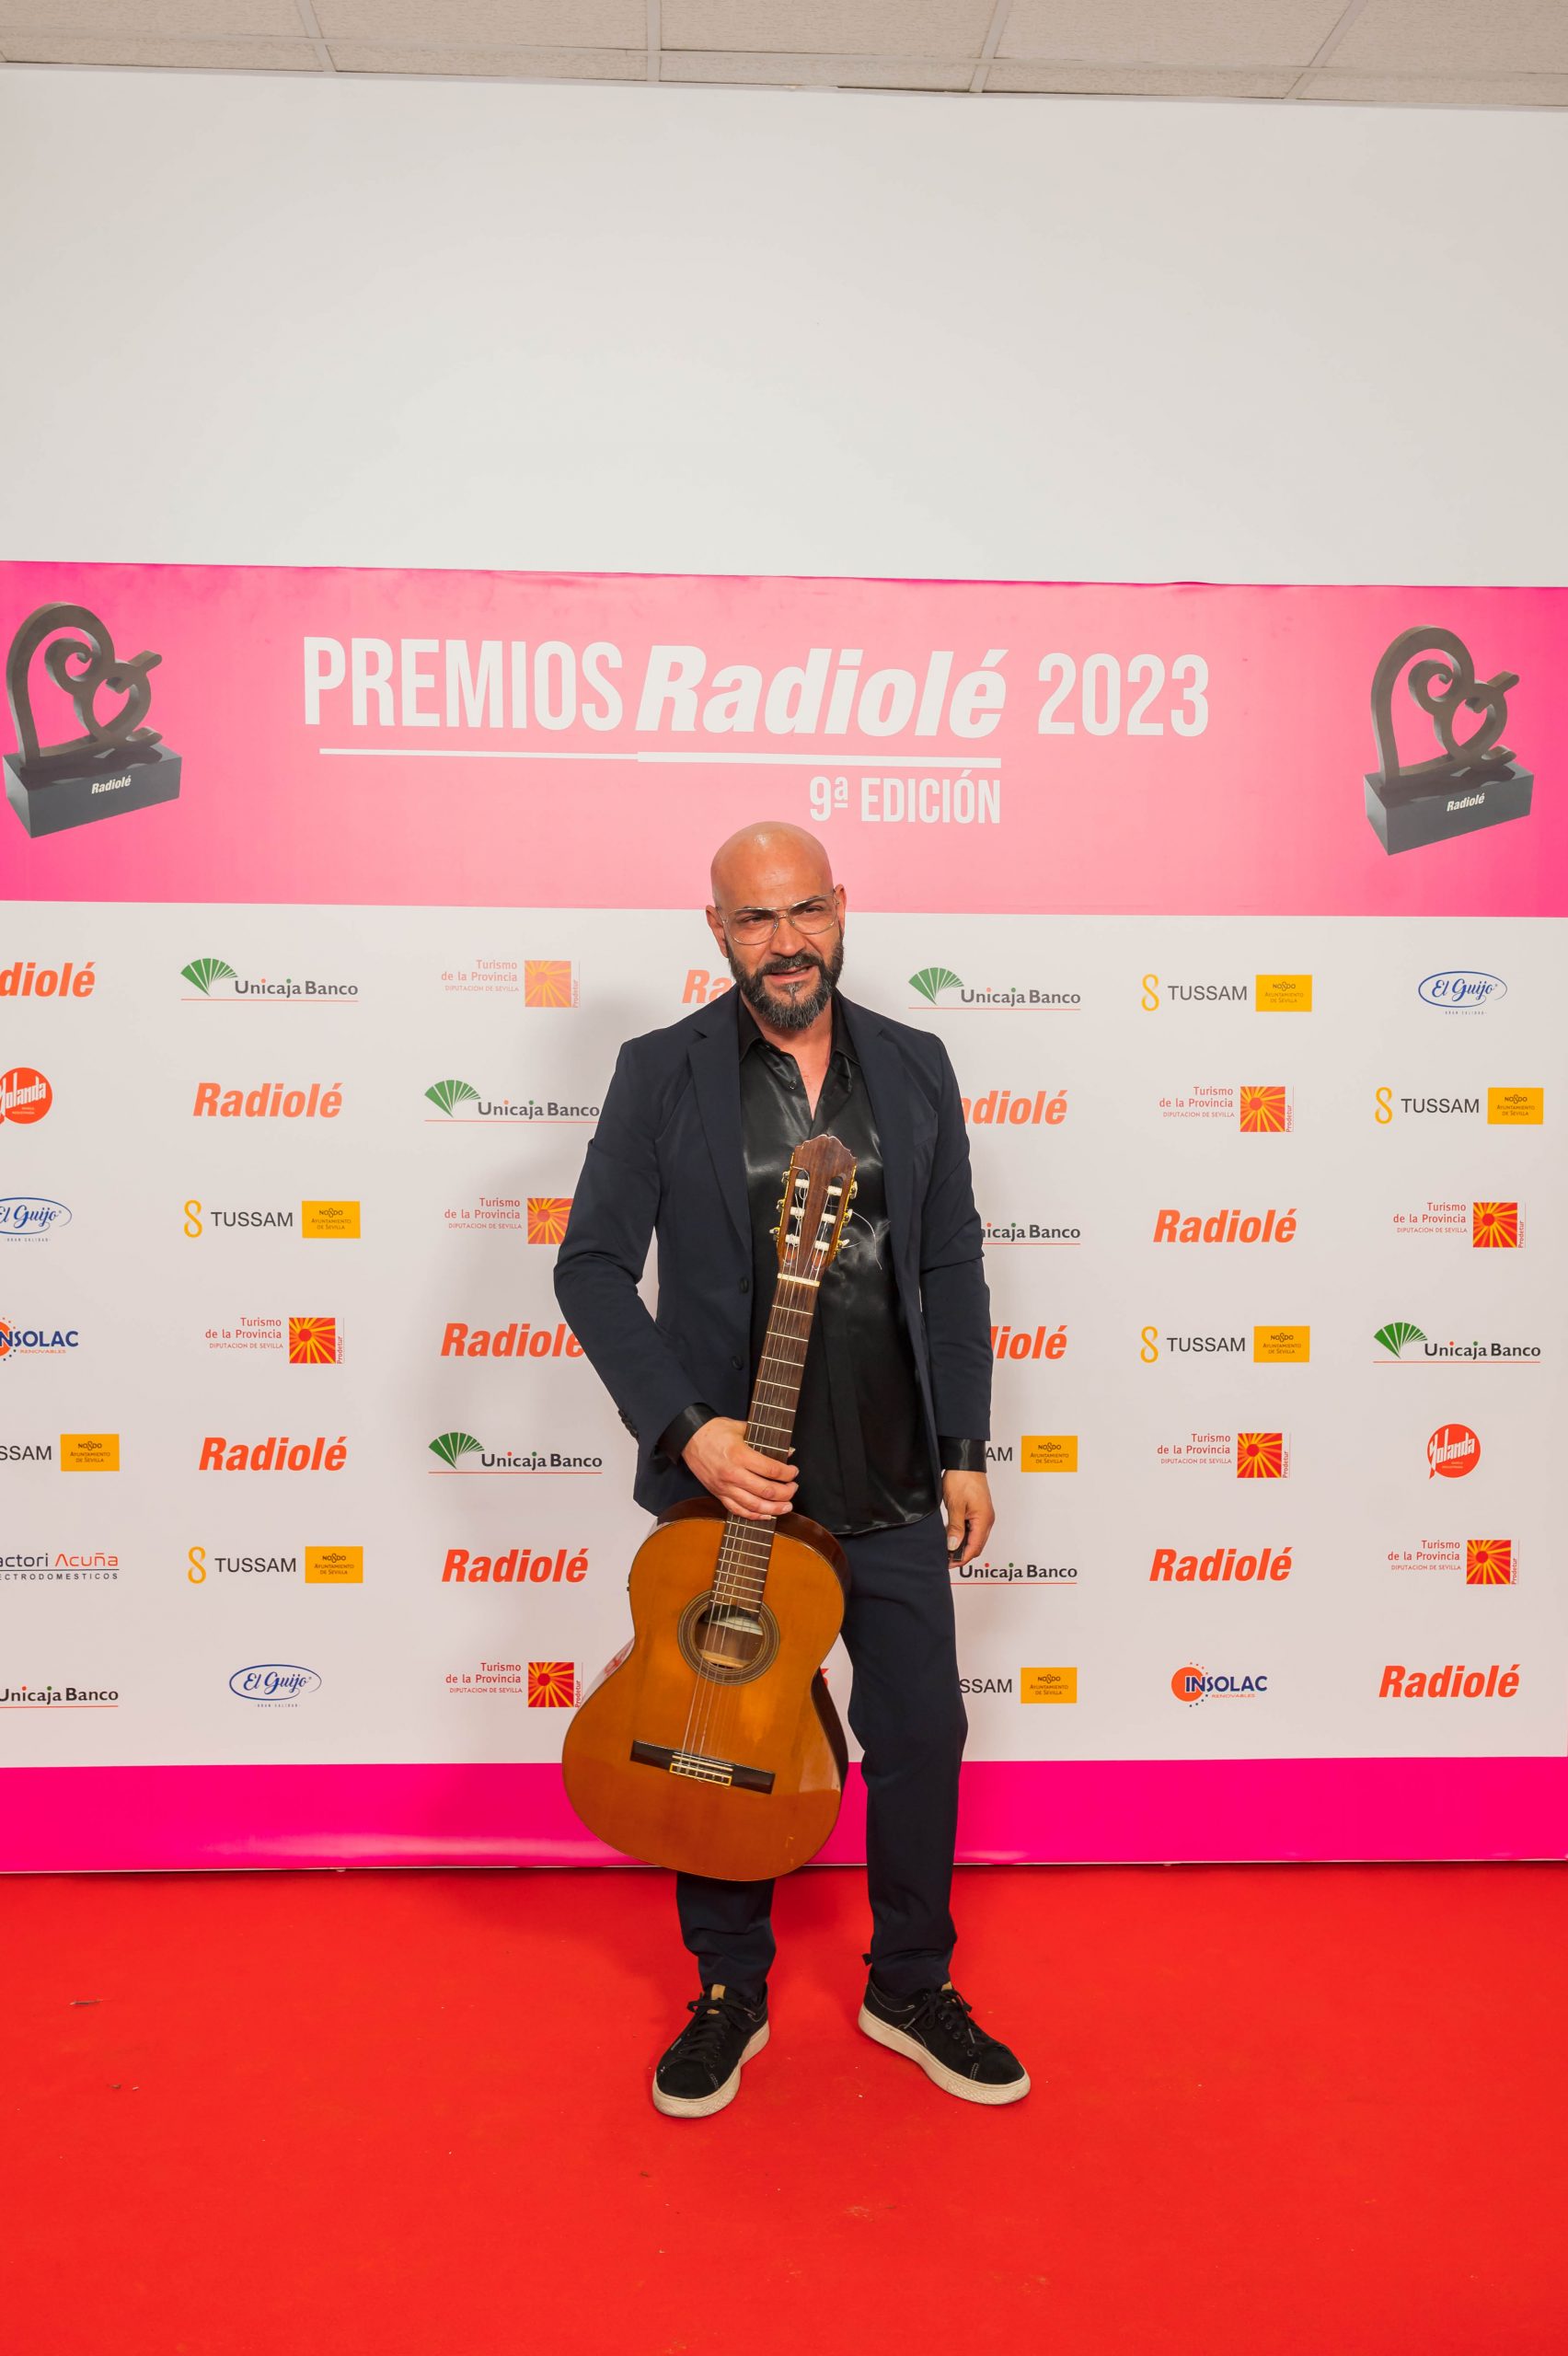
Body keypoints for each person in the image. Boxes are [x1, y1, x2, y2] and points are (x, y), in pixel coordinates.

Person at [554, 821, 1029, 2117]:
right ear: (717, 929)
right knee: (716, 1732)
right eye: (756, 919)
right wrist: (686, 1429)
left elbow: (952, 1263)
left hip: (893, 1472)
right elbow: (589, 1267)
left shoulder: (916, 1065)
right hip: (733, 1484)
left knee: (922, 1731)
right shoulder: (662, 1071)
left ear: (841, 908)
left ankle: (911, 1982)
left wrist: (965, 1449)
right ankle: (729, 1988)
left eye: (805, 911)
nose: (786, 942)